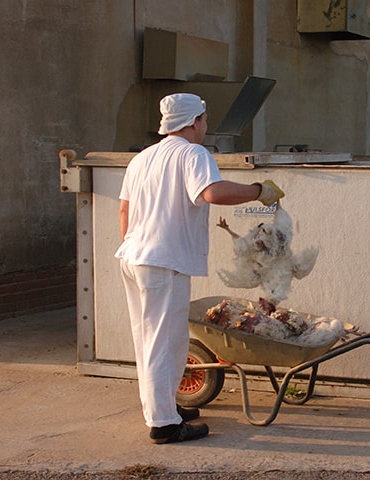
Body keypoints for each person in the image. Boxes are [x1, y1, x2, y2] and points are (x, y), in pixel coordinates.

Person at [115, 93, 284, 444]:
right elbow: (212, 192)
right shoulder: (193, 153)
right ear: (194, 122)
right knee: (164, 342)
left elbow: (124, 212)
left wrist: (137, 248)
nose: (205, 126)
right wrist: (258, 191)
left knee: (150, 339)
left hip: (134, 256)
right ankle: (163, 423)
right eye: (205, 120)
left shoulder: (143, 158)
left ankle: (164, 407)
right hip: (163, 261)